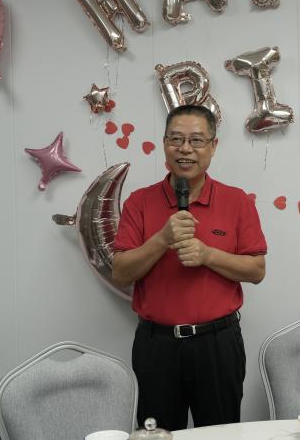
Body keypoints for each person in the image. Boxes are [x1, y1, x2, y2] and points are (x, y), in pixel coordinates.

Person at [112, 104, 267, 431]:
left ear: (213, 146)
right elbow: (121, 273)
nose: (185, 149)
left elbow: (256, 270)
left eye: (196, 140)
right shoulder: (139, 202)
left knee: (222, 433)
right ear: (164, 144)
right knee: (158, 434)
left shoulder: (237, 201)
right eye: (176, 139)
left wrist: (208, 255)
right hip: (157, 346)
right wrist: (161, 239)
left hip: (218, 344)